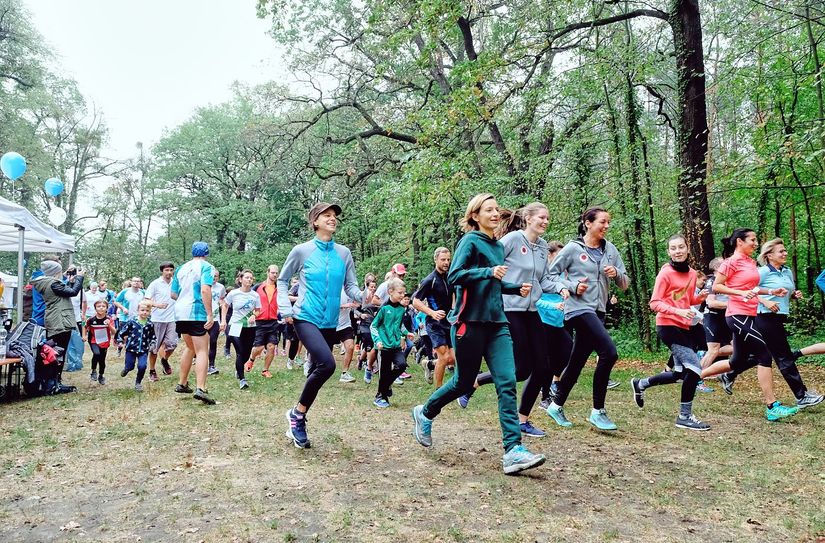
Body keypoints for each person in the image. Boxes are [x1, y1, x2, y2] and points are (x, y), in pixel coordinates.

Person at [411, 193, 545, 475]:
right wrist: (489, 271)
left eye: (497, 209)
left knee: (507, 382)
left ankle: (513, 451)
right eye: (489, 210)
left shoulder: (497, 245)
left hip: (497, 323)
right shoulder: (470, 241)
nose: (495, 214)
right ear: (475, 216)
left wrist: (512, 288)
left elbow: (491, 284)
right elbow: (455, 276)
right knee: (462, 382)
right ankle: (425, 412)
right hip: (468, 323)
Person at [457, 203, 569, 438]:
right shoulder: (512, 240)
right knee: (520, 369)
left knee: (541, 368)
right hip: (509, 309)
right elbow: (490, 263)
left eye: (548, 218)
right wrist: (494, 281)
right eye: (541, 217)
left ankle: (522, 419)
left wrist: (560, 287)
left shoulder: (541, 248)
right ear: (528, 219)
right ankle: (473, 383)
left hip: (531, 311)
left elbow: (545, 280)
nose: (545, 221)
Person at [280, 203, 368, 449]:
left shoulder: (343, 253)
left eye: (334, 216)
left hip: (330, 322)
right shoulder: (302, 251)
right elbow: (283, 280)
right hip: (306, 316)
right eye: (326, 216)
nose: (332, 219)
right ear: (315, 222)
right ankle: (297, 415)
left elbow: (350, 287)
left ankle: (298, 415)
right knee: (328, 365)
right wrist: (286, 310)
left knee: (315, 372)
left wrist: (364, 296)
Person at [545, 206, 630, 431]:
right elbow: (550, 276)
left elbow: (625, 284)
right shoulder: (573, 249)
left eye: (608, 222)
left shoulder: (610, 250)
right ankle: (598, 411)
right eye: (603, 221)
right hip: (577, 308)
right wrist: (572, 286)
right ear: (588, 223)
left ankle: (556, 405)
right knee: (609, 352)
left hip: (599, 309)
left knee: (577, 361)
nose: (607, 226)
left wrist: (617, 274)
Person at [701, 229, 799, 421]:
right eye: (752, 240)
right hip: (737, 315)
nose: (756, 243)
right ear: (740, 242)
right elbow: (717, 286)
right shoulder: (731, 262)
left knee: (737, 361)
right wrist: (739, 294)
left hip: (750, 313)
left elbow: (751, 288)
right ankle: (772, 406)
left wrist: (772, 290)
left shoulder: (750, 262)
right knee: (764, 354)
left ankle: (695, 375)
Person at [631, 234, 711, 431]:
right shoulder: (665, 273)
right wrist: (678, 311)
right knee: (694, 369)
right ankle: (684, 416)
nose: (678, 251)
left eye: (681, 247)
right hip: (668, 326)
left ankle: (641, 384)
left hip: (685, 327)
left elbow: (684, 299)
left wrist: (699, 298)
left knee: (679, 374)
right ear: (669, 252)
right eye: (673, 248)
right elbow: (655, 303)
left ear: (687, 248)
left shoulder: (692, 274)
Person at [747, 239, 821, 408]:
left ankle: (729, 374)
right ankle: (801, 396)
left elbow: (787, 292)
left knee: (754, 356)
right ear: (769, 255)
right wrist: (765, 301)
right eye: (781, 251)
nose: (785, 253)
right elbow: (749, 291)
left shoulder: (786, 271)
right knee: (783, 355)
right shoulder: (763, 272)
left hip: (778, 317)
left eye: (785, 250)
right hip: (763, 316)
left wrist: (794, 295)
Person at [171, 242, 217, 405]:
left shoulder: (181, 268)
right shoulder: (207, 267)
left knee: (190, 347)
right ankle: (201, 388)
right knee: (202, 350)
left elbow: (173, 294)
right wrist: (210, 314)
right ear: (206, 252)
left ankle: (182, 383)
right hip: (196, 312)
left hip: (180, 312)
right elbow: (205, 289)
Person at [31, 258, 84, 392]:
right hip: (59, 321)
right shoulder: (53, 284)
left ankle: (53, 382)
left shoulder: (47, 283)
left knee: (54, 351)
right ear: (56, 272)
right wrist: (80, 278)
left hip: (55, 319)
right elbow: (73, 293)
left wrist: (71, 281)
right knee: (58, 351)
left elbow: (64, 292)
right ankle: (53, 384)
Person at [412, 247, 456, 388]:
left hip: (449, 322)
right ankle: (439, 390)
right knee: (443, 357)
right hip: (434, 323)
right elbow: (415, 301)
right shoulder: (429, 280)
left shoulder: (450, 277)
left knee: (453, 359)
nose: (446, 262)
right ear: (435, 259)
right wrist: (432, 313)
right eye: (443, 259)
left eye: (448, 259)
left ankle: (429, 364)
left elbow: (453, 297)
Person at [537, 241, 572, 410]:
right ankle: (545, 398)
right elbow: (534, 299)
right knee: (547, 362)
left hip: (559, 322)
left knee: (568, 352)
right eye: (559, 255)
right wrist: (553, 306)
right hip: (544, 322)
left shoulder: (562, 275)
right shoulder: (541, 275)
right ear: (550, 255)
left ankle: (554, 383)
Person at [370, 278, 414, 407]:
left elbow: (400, 326)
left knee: (402, 365)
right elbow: (374, 326)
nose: (402, 295)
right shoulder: (384, 308)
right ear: (390, 292)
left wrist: (407, 333)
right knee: (384, 373)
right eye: (400, 293)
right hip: (383, 346)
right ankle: (380, 396)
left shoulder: (401, 309)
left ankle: (386, 385)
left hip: (395, 345)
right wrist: (377, 341)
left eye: (404, 293)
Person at [221, 269, 261, 389]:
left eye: (251, 278)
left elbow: (258, 310)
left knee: (246, 353)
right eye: (247, 277)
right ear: (240, 279)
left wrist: (254, 315)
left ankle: (238, 370)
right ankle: (242, 379)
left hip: (250, 327)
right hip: (235, 325)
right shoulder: (233, 293)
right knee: (239, 351)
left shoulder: (255, 295)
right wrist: (223, 320)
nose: (249, 279)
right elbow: (225, 305)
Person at [246, 265, 281, 377]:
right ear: (267, 272)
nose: (275, 275)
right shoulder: (258, 287)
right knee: (259, 347)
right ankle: (251, 359)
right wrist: (251, 314)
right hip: (260, 321)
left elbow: (284, 300)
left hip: (273, 321)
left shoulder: (279, 288)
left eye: (276, 273)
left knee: (271, 346)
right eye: (273, 272)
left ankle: (265, 370)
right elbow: (250, 300)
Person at [145, 262, 177, 381]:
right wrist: (157, 304)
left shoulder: (176, 282)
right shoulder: (155, 284)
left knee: (172, 344)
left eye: (171, 270)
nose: (169, 272)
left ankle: (164, 360)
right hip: (158, 319)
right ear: (162, 271)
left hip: (173, 319)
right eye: (166, 270)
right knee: (154, 347)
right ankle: (152, 371)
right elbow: (146, 300)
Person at [117, 301, 156, 392]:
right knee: (130, 366)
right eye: (142, 310)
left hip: (143, 349)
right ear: (138, 310)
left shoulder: (150, 324)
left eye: (147, 310)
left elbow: (152, 336)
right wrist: (120, 341)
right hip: (131, 349)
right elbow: (122, 333)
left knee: (142, 366)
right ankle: (126, 369)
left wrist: (153, 344)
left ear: (150, 312)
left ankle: (138, 383)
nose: (144, 312)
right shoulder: (132, 322)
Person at [85, 299, 116, 385]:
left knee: (102, 360)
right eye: (99, 306)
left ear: (107, 308)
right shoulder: (91, 319)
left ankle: (101, 375)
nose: (101, 308)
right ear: (95, 308)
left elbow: (114, 332)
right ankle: (93, 371)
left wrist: (109, 325)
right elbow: (85, 326)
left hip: (104, 342)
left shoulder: (109, 319)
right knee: (96, 354)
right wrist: (84, 336)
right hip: (93, 340)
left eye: (103, 306)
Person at [337, 288, 360, 383]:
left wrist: (357, 305)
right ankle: (312, 366)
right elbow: (326, 305)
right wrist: (344, 305)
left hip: (345, 324)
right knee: (325, 351)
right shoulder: (334, 288)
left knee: (350, 347)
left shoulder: (350, 291)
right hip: (331, 323)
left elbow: (357, 304)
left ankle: (345, 373)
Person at [207, 269, 227, 375]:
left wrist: (223, 320)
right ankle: (200, 360)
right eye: (213, 276)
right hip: (203, 318)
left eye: (216, 276)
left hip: (215, 319)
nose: (214, 278)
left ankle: (211, 365)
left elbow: (222, 302)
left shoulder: (221, 287)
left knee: (213, 341)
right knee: (203, 343)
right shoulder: (203, 285)